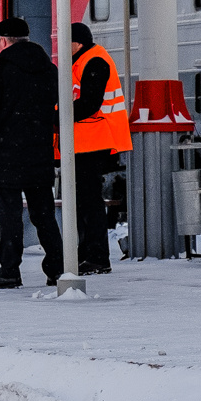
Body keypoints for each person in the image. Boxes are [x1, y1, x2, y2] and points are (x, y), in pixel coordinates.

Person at [0, 17, 64, 289]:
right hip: (39, 154)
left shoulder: (0, 71)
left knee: (9, 217)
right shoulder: (49, 70)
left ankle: (9, 271)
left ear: (3, 41)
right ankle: (57, 269)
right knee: (44, 216)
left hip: (6, 156)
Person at [68, 22, 131, 274]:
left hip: (94, 139)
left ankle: (96, 257)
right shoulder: (85, 60)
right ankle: (87, 255)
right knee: (84, 200)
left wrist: (58, 114)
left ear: (78, 43)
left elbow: (89, 104)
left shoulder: (94, 62)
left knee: (88, 201)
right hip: (88, 140)